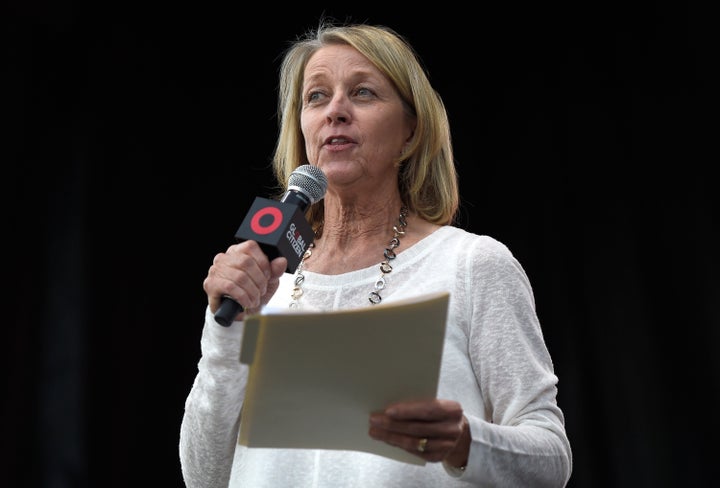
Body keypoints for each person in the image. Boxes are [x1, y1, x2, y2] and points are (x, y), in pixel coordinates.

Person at [179, 20, 572, 487]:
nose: (336, 112)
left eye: (363, 93)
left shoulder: (471, 265)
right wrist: (226, 332)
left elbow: (551, 460)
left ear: (410, 132)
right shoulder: (265, 281)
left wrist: (466, 443)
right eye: (317, 96)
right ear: (301, 128)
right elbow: (203, 476)